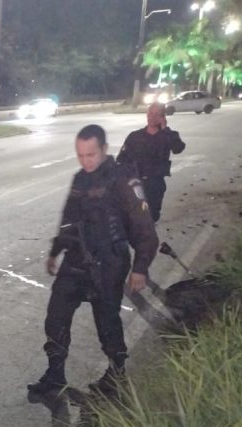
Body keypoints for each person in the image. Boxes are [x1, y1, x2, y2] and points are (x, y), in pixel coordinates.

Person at [27, 124, 159, 396]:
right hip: (76, 261)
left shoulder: (124, 180)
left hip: (109, 263)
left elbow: (144, 228)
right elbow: (68, 220)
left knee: (107, 322)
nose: (85, 161)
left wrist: (140, 268)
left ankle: (116, 375)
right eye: (80, 155)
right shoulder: (80, 179)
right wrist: (55, 251)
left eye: (91, 155)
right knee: (56, 317)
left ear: (104, 149)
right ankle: (55, 374)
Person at [117, 102, 185, 223]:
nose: (152, 117)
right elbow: (121, 159)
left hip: (155, 184)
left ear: (162, 117)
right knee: (132, 217)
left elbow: (178, 148)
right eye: (150, 114)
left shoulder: (168, 135)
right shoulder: (135, 136)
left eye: (156, 114)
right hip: (136, 183)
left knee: (152, 216)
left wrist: (165, 129)